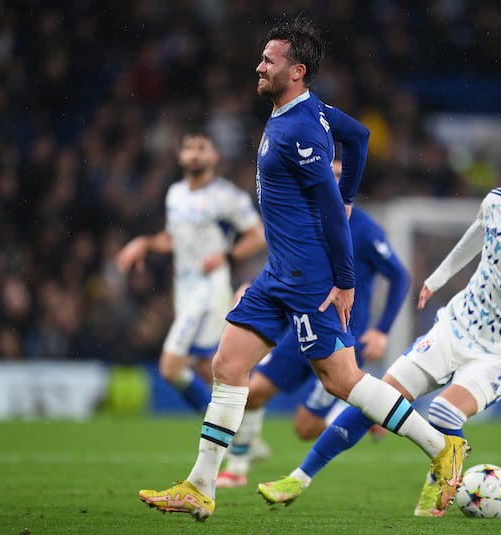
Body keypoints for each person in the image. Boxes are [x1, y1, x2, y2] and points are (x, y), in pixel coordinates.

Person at [138, 15, 467, 522]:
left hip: (306, 280)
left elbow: (332, 209)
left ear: (296, 72)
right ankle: (201, 486)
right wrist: (352, 194)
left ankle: (439, 446)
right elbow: (357, 137)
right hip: (277, 273)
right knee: (228, 365)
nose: (259, 66)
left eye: (269, 60)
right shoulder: (313, 112)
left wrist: (345, 279)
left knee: (343, 382)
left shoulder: (299, 131)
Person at [257, 143, 501, 517]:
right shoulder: (496, 203)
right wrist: (439, 277)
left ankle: (434, 490)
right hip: (457, 326)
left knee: (444, 413)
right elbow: (477, 235)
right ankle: (298, 479)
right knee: (377, 399)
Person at [216, 159, 411, 488]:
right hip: (300, 329)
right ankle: (237, 467)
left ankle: (367, 416)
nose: (332, 182)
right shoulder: (301, 220)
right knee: (253, 394)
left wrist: (382, 330)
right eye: (327, 175)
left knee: (304, 428)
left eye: (339, 176)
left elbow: (400, 275)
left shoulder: (363, 229)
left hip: (342, 339)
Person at [115, 128, 266, 412]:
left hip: (209, 291)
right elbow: (174, 240)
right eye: (189, 148)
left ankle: (223, 427)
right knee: (206, 369)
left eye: (202, 148)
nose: (195, 154)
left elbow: (258, 235)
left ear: (214, 156)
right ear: (180, 155)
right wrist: (144, 244)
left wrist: (227, 257)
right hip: (184, 291)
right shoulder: (175, 195)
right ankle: (240, 424)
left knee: (171, 366)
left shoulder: (226, 196)